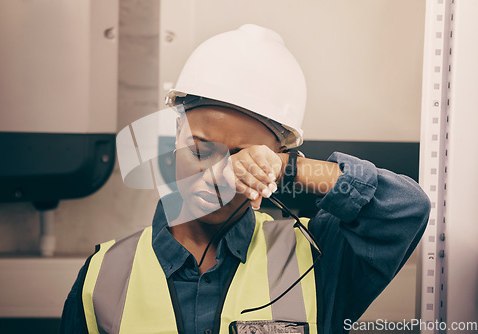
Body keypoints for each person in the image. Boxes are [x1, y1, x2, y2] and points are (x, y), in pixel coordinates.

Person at [59, 24, 431, 334]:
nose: (219, 176)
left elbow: (405, 209)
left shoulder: (316, 257)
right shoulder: (102, 276)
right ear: (174, 137)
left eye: (243, 158)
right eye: (202, 150)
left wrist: (290, 168)